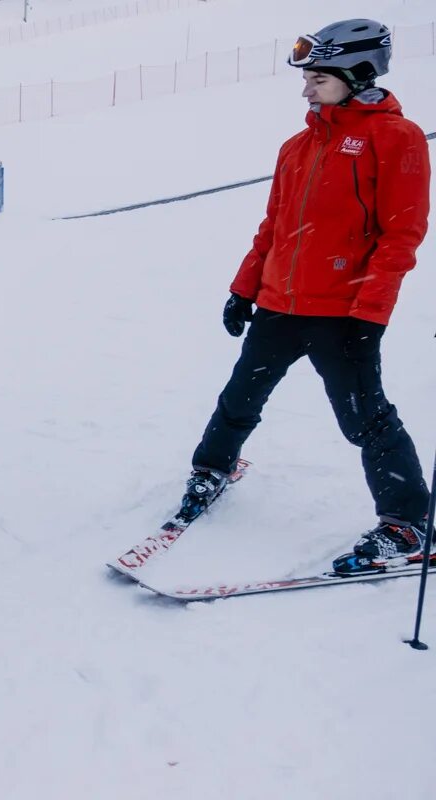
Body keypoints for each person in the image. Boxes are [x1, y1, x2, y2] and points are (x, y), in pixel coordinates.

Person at [181, 19, 431, 574]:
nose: (305, 89)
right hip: (278, 304)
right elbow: (274, 226)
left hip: (342, 315)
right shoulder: (297, 145)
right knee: (240, 396)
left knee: (366, 420)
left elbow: (402, 234)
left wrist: (371, 312)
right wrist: (243, 288)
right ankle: (213, 468)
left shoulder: (396, 137)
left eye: (317, 78)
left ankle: (410, 522)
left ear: (358, 73)